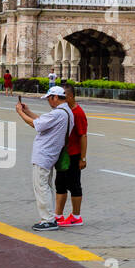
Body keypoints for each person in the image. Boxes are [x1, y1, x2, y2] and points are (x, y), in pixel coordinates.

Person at [15, 86, 75, 231]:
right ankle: (49, 217)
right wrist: (27, 111)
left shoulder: (58, 114)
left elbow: (35, 124)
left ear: (55, 97)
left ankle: (48, 220)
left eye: (49, 98)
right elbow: (42, 121)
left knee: (41, 187)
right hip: (51, 154)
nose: (48, 101)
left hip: (44, 155)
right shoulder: (66, 112)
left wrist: (20, 113)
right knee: (46, 187)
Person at [55, 85, 88, 226]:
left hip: (74, 155)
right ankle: (58, 215)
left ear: (71, 97)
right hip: (64, 155)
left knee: (74, 185)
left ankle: (76, 216)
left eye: (64, 97)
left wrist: (83, 158)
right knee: (60, 184)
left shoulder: (78, 113)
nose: (62, 100)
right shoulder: (65, 111)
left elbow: (83, 136)